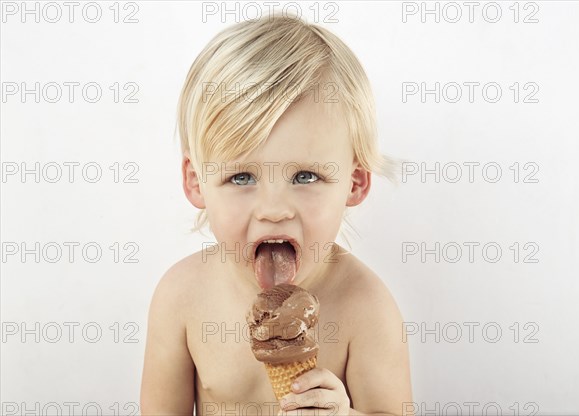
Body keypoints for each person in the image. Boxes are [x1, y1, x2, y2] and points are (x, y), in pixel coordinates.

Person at [141, 13, 412, 416]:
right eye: (241, 176)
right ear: (197, 182)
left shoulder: (366, 307)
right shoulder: (181, 298)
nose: (273, 210)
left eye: (305, 176)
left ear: (354, 182)